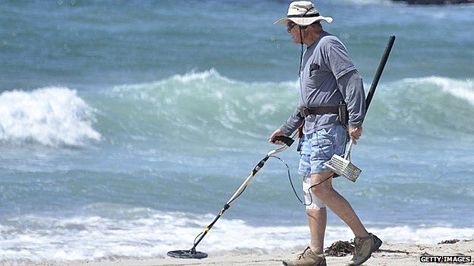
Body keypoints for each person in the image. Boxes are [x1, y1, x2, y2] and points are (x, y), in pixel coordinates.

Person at [270, 1, 382, 266]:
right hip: (311, 130)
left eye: (289, 27)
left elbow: (352, 80)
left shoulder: (328, 45)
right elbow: (308, 102)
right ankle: (315, 254)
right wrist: (286, 129)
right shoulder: (309, 51)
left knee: (320, 186)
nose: (288, 32)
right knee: (311, 188)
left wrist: (355, 120)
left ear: (303, 26)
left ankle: (364, 238)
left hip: (329, 129)